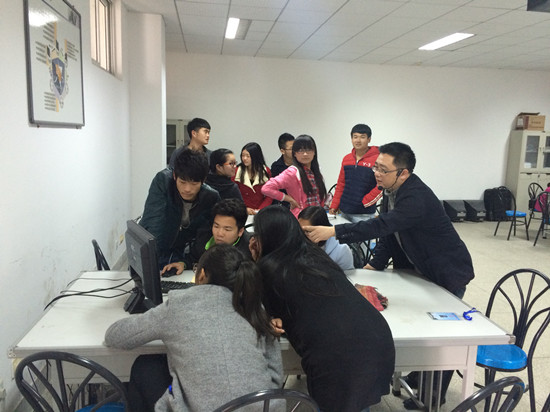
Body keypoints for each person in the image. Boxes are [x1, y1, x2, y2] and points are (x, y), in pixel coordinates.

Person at [304, 142, 475, 409]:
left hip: (447, 270)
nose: (377, 173)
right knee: (423, 326)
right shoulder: (391, 191)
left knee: (443, 335)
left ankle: (433, 397)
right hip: (421, 269)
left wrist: (334, 231)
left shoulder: (416, 197)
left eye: (383, 169)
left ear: (403, 173)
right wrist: (374, 266)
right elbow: (389, 235)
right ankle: (418, 375)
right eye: (376, 167)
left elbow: (384, 224)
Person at [249, 206, 395, 412]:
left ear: (267, 237)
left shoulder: (270, 269)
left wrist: (256, 261)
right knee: (357, 403)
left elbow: (259, 307)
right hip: (378, 339)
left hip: (338, 357)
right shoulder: (315, 256)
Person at [105, 245, 283, 412]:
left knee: (145, 367)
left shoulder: (180, 305)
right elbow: (276, 377)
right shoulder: (254, 308)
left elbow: (115, 336)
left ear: (202, 274)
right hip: (266, 408)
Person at [140, 147, 220, 271]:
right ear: (174, 176)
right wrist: (150, 260)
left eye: (194, 184)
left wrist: (188, 261)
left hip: (183, 250)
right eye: (182, 182)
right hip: (154, 245)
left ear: (203, 180)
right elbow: (154, 221)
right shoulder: (163, 181)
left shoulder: (211, 197)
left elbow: (205, 235)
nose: (187, 189)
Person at [262, 134, 327, 218]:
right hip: (301, 219)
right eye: (300, 150)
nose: (305, 154)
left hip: (317, 218)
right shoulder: (292, 172)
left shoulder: (316, 171)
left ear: (314, 152)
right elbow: (266, 188)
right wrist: (289, 199)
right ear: (295, 153)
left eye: (309, 150)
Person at [329, 124, 382, 222]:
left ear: (369, 139)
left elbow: (382, 185)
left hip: (364, 214)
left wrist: (366, 202)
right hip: (344, 211)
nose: (358, 140)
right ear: (351, 139)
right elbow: (341, 184)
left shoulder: (378, 159)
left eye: (362, 137)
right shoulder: (347, 159)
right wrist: (334, 206)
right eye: (355, 137)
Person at [298, 206, 354, 270]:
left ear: (321, 230)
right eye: (299, 230)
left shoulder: (341, 250)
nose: (301, 235)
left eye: (307, 231)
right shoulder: (298, 244)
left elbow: (349, 274)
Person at [233, 142, 272, 215]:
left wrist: (261, 209)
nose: (244, 158)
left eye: (248, 156)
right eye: (243, 155)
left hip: (261, 212)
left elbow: (270, 195)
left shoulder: (266, 171)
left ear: (255, 156)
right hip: (241, 211)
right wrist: (244, 208)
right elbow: (233, 194)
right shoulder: (237, 171)